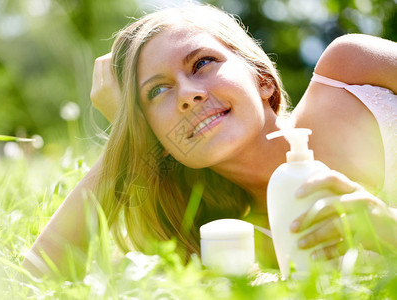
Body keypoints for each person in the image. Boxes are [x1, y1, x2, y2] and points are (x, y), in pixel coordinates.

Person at [23, 4, 397, 278]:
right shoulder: (223, 243)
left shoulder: (352, 71)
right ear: (157, 141)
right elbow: (34, 279)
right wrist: (125, 135)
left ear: (262, 78)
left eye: (201, 63)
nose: (187, 94)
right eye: (156, 92)